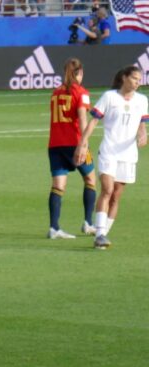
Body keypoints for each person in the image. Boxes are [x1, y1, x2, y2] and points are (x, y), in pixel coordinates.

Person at [75, 65, 148, 249]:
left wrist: (143, 134)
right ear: (124, 77)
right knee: (107, 190)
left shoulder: (142, 100)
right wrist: (82, 144)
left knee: (116, 196)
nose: (137, 83)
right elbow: (93, 121)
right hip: (109, 151)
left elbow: (142, 123)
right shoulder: (109, 97)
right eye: (134, 78)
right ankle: (99, 234)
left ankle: (103, 233)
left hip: (128, 154)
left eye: (139, 80)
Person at [46, 57, 96, 240]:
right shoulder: (81, 92)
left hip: (55, 145)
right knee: (90, 179)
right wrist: (84, 145)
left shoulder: (56, 92)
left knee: (58, 186)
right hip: (75, 143)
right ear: (79, 73)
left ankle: (54, 228)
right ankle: (88, 223)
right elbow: (83, 119)